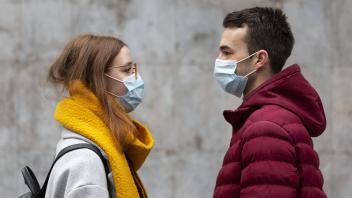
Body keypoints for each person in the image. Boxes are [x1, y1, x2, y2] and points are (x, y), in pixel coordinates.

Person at [213, 7, 327, 198]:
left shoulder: (265, 127)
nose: (219, 60)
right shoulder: (276, 117)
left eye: (227, 52)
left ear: (259, 59)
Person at [45, 34, 154, 198]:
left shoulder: (97, 145)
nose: (136, 78)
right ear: (97, 78)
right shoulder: (86, 165)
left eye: (134, 70)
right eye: (126, 70)